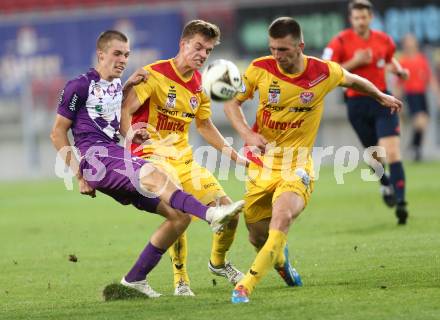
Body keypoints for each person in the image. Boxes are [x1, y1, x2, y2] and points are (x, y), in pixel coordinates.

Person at [50, 30, 244, 298]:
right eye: (117, 53)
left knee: (178, 217)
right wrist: (80, 173)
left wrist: (129, 91)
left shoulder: (118, 86)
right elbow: (57, 132)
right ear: (101, 54)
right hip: (97, 159)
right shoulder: (78, 86)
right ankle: (211, 214)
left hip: (114, 155)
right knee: (154, 173)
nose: (122, 59)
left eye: (126, 54)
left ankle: (134, 279)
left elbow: (115, 118)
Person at [224, 17, 402, 303]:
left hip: (297, 165)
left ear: (300, 46)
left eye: (283, 50)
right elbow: (232, 102)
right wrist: (247, 133)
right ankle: (282, 264)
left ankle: (245, 286)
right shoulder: (259, 68)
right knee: (257, 237)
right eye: (272, 49)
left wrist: (380, 95)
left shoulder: (322, 72)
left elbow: (353, 79)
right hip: (262, 165)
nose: (277, 56)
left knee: (281, 218)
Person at [121, 20, 248, 296]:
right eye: (198, 47)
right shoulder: (153, 74)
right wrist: (130, 133)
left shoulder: (200, 86)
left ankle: (218, 263)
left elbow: (204, 125)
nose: (203, 54)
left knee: (231, 212)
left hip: (184, 160)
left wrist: (236, 157)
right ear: (183, 44)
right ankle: (180, 279)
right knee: (182, 212)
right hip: (151, 155)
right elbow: (126, 108)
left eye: (208, 50)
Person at [323, 0, 409, 225]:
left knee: (392, 152)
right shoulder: (340, 41)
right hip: (357, 104)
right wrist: (355, 61)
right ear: (351, 20)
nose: (361, 21)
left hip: (383, 99)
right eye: (356, 18)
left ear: (370, 18)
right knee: (375, 158)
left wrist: (399, 71)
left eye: (364, 17)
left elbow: (388, 61)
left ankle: (401, 203)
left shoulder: (384, 40)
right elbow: (327, 71)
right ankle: (385, 184)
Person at [394, 33, 440, 161]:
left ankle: (415, 147)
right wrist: (395, 99)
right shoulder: (402, 61)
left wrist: (437, 94)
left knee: (423, 123)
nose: (410, 45)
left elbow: (430, 78)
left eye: (412, 42)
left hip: (422, 94)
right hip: (410, 94)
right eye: (407, 42)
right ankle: (415, 147)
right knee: (419, 120)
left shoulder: (421, 59)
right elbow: (399, 83)